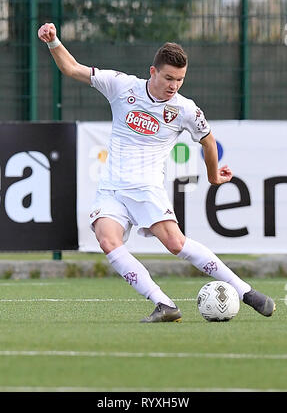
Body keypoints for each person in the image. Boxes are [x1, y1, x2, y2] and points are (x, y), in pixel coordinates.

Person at [38, 22, 276, 323]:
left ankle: (244, 291)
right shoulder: (122, 85)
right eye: (168, 78)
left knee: (176, 244)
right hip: (111, 188)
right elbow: (72, 69)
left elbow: (208, 140)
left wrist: (214, 175)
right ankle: (164, 304)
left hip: (147, 188)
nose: (173, 85)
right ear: (153, 72)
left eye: (179, 79)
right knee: (107, 239)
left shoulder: (185, 109)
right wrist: (53, 42)